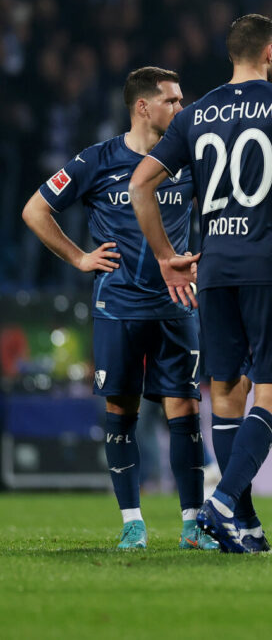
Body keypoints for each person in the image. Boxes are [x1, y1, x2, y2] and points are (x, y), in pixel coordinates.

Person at [129, 14, 272, 553]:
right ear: (269, 51)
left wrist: (166, 256)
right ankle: (222, 505)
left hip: (214, 269)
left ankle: (242, 525)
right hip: (271, 260)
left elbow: (140, 183)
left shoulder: (195, 114)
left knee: (225, 389)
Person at [21, 66, 216, 551]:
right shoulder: (97, 160)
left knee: (186, 412)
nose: (181, 108)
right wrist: (79, 256)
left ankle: (192, 524)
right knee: (120, 411)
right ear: (142, 107)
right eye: (172, 100)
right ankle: (133, 523)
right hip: (119, 307)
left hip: (177, 305)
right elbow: (35, 210)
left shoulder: (189, 158)